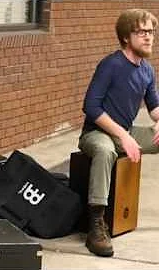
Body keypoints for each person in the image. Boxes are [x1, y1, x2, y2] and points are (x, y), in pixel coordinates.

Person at [79, 9, 159, 257]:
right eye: (142, 31)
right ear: (126, 37)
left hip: (126, 131)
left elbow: (154, 106)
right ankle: (96, 224)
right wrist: (123, 136)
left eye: (151, 31)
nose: (149, 37)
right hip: (97, 132)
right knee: (105, 150)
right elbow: (91, 107)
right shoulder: (111, 64)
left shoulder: (147, 70)